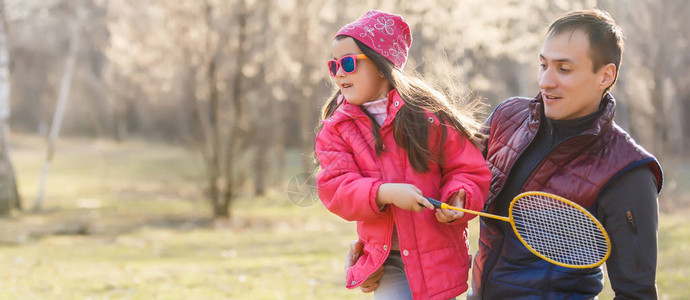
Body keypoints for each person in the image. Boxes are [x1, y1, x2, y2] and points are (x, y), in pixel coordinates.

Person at [347, 9, 664, 299]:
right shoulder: (507, 117)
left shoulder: (629, 171)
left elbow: (636, 293)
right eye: (543, 64)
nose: (545, 81)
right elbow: (441, 187)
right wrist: (382, 249)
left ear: (605, 76)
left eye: (564, 69)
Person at [315, 10, 491, 300]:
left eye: (348, 63)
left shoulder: (429, 117)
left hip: (437, 256)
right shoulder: (337, 128)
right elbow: (335, 187)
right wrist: (384, 193)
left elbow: (468, 170)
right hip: (388, 261)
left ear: (382, 66)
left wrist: (458, 197)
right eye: (333, 66)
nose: (340, 73)